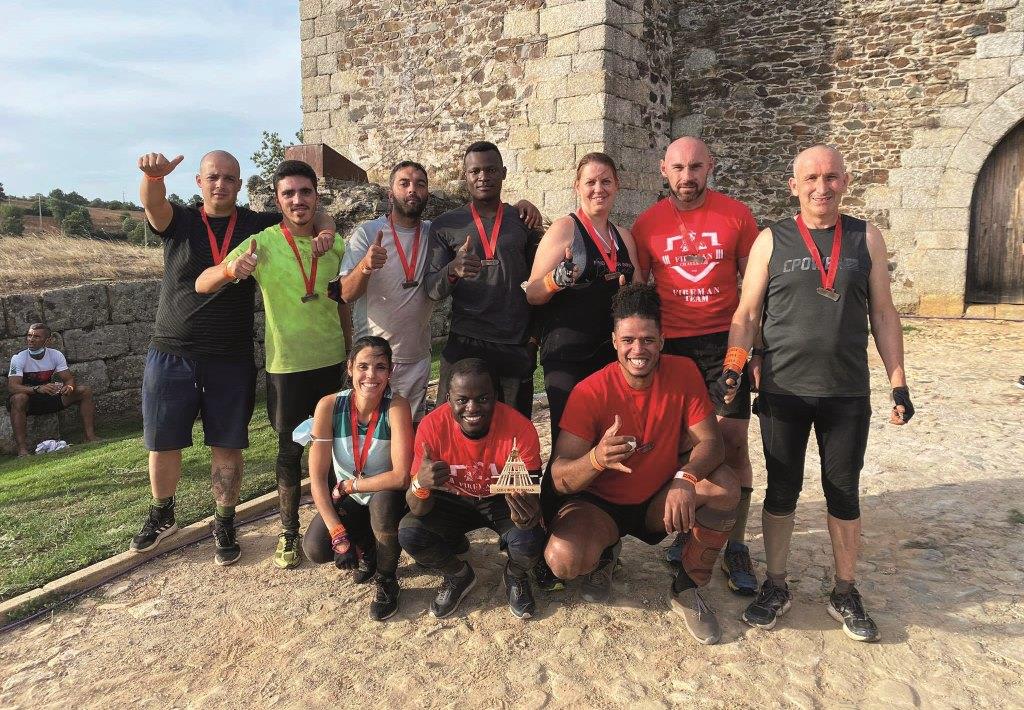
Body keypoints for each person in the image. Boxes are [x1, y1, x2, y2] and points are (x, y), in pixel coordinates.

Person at [720, 144, 914, 642]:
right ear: (794, 185)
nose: (821, 187)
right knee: (782, 489)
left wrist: (899, 382)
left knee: (843, 491)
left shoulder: (865, 237)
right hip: (783, 390)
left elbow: (885, 315)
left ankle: (845, 590)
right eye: (811, 178)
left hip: (846, 393)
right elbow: (746, 315)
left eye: (831, 177)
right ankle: (776, 584)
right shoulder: (771, 240)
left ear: (845, 182)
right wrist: (734, 368)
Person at [130, 150, 336, 566]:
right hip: (173, 349)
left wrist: (327, 227)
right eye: (213, 177)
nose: (220, 184)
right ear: (199, 182)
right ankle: (162, 513)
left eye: (229, 178)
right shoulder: (183, 220)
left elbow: (307, 211)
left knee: (227, 444)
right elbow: (154, 207)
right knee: (164, 441)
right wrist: (153, 179)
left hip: (230, 354)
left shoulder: (254, 225)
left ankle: (224, 520)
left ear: (239, 186)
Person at [543, 284, 740, 645]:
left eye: (648, 340)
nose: (639, 349)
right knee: (563, 560)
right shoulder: (589, 391)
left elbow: (712, 443)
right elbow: (558, 479)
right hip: (600, 507)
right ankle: (605, 552)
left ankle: (687, 587)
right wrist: (596, 458)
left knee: (724, 486)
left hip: (657, 497)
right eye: (629, 339)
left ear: (662, 340)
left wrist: (685, 477)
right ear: (614, 341)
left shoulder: (682, 372)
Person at [196, 159, 349, 570]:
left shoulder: (334, 243)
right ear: (278, 200)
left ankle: (338, 524)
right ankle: (288, 532)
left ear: (317, 196)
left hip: (333, 360)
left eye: (305, 192)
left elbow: (346, 301)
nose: (298, 200)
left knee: (338, 447)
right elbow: (202, 282)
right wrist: (230, 270)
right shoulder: (261, 242)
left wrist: (351, 353)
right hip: (286, 366)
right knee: (289, 453)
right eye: (289, 194)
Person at [632, 137, 761, 595]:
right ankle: (691, 528)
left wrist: (754, 351)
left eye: (696, 167)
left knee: (733, 443)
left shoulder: (738, 215)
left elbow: (753, 291)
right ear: (663, 169)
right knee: (683, 443)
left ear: (711, 167)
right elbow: (638, 294)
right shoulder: (646, 224)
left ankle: (737, 543)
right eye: (679, 168)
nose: (687, 177)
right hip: (671, 348)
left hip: (726, 344)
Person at [523, 152, 639, 590]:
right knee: (567, 447)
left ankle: (599, 537)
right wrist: (560, 277)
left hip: (609, 360)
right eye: (590, 182)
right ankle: (546, 541)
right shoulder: (565, 228)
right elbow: (533, 293)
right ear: (577, 186)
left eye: (606, 181)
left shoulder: (623, 237)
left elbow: (636, 298)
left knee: (605, 442)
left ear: (617, 186)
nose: (598, 189)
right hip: (567, 356)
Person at [398, 358, 545, 619]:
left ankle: (515, 574)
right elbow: (417, 506)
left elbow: (531, 496)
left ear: (496, 396)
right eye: (462, 399)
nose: (472, 408)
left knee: (531, 540)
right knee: (410, 532)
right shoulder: (431, 427)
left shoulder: (520, 428)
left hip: (500, 498)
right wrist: (421, 483)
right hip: (452, 497)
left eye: (483, 398)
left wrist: (527, 516)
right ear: (448, 398)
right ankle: (458, 574)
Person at [425, 141, 543, 418]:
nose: (483, 177)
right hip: (466, 341)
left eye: (490, 170)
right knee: (455, 429)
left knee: (513, 437)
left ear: (503, 172)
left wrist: (533, 342)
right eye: (475, 171)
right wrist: (453, 269)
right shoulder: (445, 225)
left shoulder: (523, 220)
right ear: (465, 176)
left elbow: (539, 284)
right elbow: (432, 289)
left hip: (515, 343)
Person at [301, 336, 413, 621]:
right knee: (315, 548)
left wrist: (352, 485)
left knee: (385, 504)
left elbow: (400, 476)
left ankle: (387, 580)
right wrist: (338, 534)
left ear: (391, 372)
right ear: (350, 368)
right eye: (363, 366)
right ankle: (369, 549)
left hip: (382, 493)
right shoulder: (328, 406)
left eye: (380, 367)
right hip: (349, 498)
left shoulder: (396, 407)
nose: (371, 375)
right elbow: (316, 479)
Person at [339, 161, 433, 421]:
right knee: (372, 435)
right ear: (390, 194)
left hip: (417, 357)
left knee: (411, 434)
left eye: (420, 184)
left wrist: (518, 207)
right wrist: (366, 266)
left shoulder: (434, 233)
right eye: (404, 183)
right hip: (375, 361)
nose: (412, 190)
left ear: (427, 193)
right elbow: (345, 293)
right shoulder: (368, 233)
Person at [7, 323, 97, 456]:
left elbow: (69, 379)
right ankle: (22, 450)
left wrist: (69, 387)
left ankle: (90, 437)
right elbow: (13, 387)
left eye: (36, 337)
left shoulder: (56, 355)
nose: (31, 339)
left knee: (85, 391)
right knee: (19, 398)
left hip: (48, 396)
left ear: (48, 341)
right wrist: (37, 389)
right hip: (29, 401)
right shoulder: (19, 358)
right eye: (29, 335)